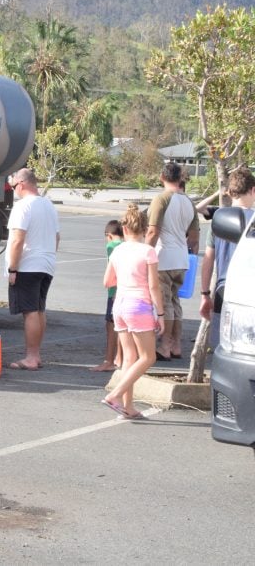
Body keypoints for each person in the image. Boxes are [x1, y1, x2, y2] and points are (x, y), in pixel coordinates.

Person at [101, 204, 164, 421]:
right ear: (145, 230)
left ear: (125, 229)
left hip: (119, 304)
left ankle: (128, 407)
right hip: (139, 305)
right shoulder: (148, 251)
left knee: (130, 357)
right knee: (148, 357)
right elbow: (154, 286)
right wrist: (162, 314)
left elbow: (107, 281)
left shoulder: (117, 250)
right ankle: (116, 395)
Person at [5, 168, 60, 370]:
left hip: (27, 265)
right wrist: (49, 257)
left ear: (22, 184)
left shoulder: (23, 207)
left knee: (29, 312)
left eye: (14, 187)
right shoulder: (48, 205)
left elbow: (18, 240)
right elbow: (57, 237)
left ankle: (31, 357)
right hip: (46, 264)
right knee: (38, 310)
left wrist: (13, 268)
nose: (14, 190)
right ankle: (36, 355)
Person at [145, 161, 200, 360]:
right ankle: (176, 345)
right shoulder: (188, 202)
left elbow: (152, 231)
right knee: (176, 303)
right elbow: (194, 237)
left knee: (165, 303)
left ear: (162, 178)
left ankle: (164, 346)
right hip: (182, 260)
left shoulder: (161, 199)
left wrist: (144, 253)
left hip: (163, 258)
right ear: (181, 178)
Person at [199, 167, 255, 349]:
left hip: (223, 290)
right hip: (249, 294)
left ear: (230, 192)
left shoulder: (219, 220)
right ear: (253, 190)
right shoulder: (252, 221)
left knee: (221, 347)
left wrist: (205, 293)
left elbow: (208, 260)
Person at [91, 219, 124, 372]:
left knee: (111, 326)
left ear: (109, 235)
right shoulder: (128, 246)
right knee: (123, 327)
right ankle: (120, 358)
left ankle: (109, 360)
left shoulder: (112, 246)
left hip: (114, 291)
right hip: (127, 292)